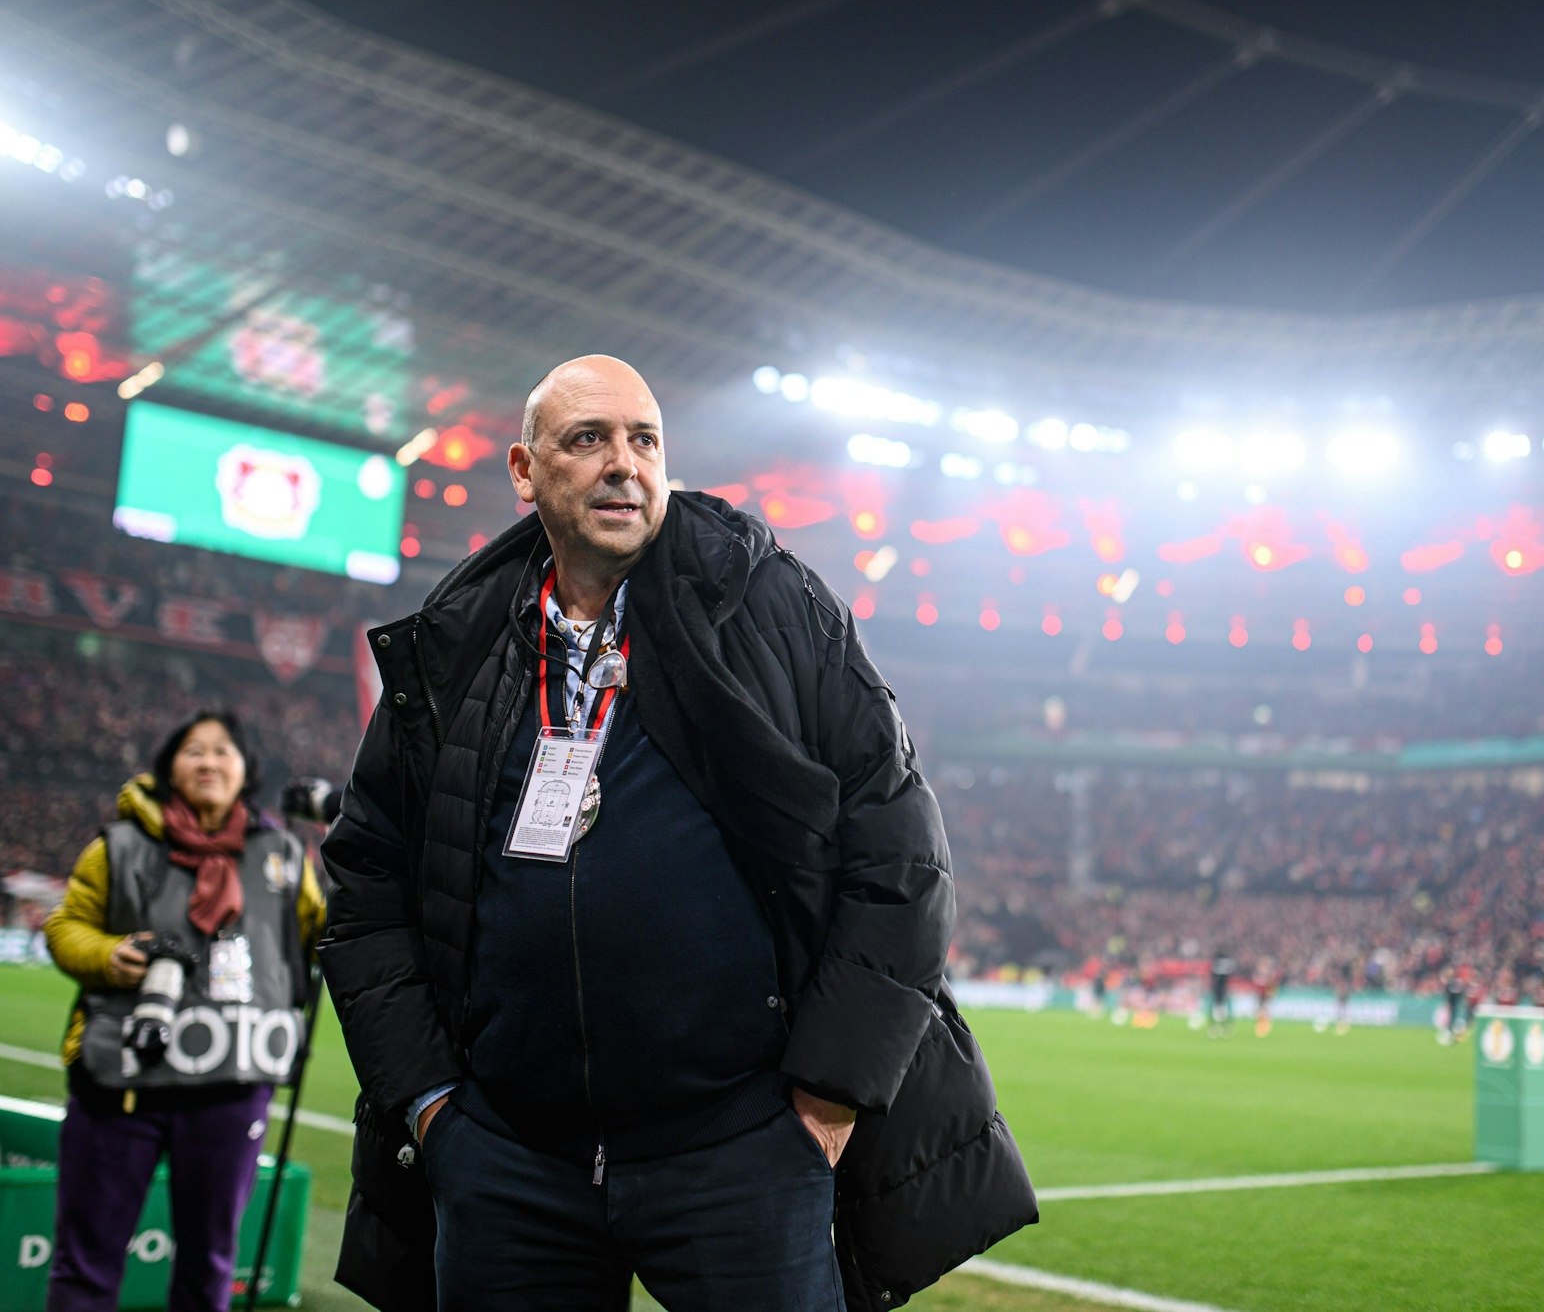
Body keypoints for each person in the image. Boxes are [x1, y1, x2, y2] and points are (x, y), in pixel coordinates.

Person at [319, 355, 1036, 1312]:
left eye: (643, 439)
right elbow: (365, 879)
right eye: (589, 440)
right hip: (507, 1159)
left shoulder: (767, 607)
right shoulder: (460, 645)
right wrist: (434, 1104)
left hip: (741, 1151)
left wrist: (827, 1094)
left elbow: (901, 855)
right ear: (525, 472)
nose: (624, 464)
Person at [42, 711, 324, 1312]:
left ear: (245, 770)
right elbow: (66, 925)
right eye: (193, 751)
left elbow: (321, 936)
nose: (208, 762)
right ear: (169, 766)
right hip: (121, 1081)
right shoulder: (119, 845)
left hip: (231, 1085)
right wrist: (108, 954)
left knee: (209, 1266)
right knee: (86, 1262)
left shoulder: (280, 853)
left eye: (223, 751)